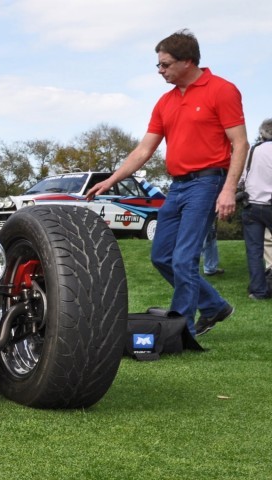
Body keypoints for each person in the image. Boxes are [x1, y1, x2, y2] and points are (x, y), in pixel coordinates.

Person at [86, 29, 249, 337]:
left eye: (165, 64)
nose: (160, 71)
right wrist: (111, 179)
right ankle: (214, 306)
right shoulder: (165, 102)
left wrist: (229, 188)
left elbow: (240, 144)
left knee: (184, 258)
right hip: (178, 186)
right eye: (158, 65)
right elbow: (144, 150)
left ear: (187, 61)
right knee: (161, 256)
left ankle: (181, 330)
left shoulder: (222, 90)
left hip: (208, 182)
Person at [240, 118, 272, 300]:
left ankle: (259, 291)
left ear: (262, 134)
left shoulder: (252, 151)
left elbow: (242, 177)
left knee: (254, 251)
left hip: (251, 205)